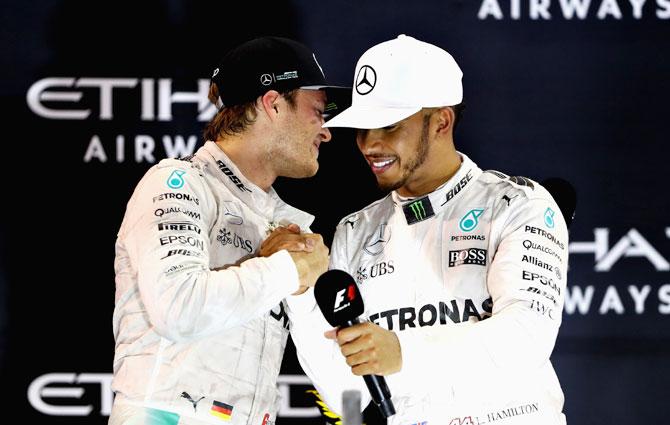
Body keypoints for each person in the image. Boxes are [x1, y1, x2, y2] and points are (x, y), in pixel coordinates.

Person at [288, 34, 569, 425]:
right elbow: (345, 394)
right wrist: (301, 295)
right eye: (361, 128)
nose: (369, 144)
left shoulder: (519, 205)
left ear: (441, 121)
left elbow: (526, 338)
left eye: (387, 126)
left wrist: (402, 351)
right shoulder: (356, 230)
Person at [110, 36, 340, 425]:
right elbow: (179, 310)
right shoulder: (178, 183)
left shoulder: (289, 225)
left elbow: (332, 377)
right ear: (273, 103)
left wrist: (300, 285)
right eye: (317, 111)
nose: (326, 131)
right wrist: (288, 270)